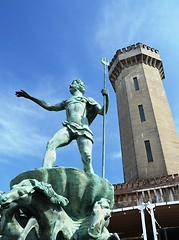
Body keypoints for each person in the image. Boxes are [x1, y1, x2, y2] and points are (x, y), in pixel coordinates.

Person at [16, 79, 109, 174]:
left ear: (80, 86)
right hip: (68, 127)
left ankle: (91, 180)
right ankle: (45, 171)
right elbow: (49, 106)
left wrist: (106, 97)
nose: (70, 85)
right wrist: (30, 97)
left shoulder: (88, 100)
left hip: (83, 129)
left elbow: (102, 111)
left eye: (73, 83)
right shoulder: (67, 101)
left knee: (87, 158)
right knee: (51, 144)